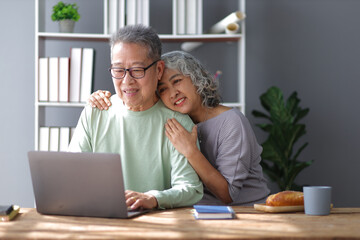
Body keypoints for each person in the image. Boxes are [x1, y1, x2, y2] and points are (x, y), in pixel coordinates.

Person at [89, 51, 270, 206]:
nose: (173, 92)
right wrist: (103, 98)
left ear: (197, 79)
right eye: (163, 89)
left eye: (177, 81)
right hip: (197, 213)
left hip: (246, 212)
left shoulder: (232, 122)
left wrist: (191, 151)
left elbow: (228, 194)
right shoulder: (176, 122)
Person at [69, 25, 203, 210]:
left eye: (137, 70)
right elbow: (71, 173)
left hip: (154, 224)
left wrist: (153, 198)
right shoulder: (95, 111)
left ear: (158, 70)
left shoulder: (178, 123)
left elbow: (190, 188)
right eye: (118, 70)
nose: (127, 81)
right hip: (101, 217)